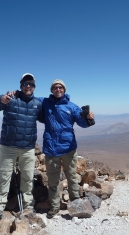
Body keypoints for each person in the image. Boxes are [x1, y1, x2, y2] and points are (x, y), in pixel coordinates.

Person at [0, 73, 43, 220]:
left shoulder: (38, 103)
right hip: (8, 146)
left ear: (34, 86)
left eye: (30, 84)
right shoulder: (9, 99)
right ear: (21, 86)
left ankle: (28, 205)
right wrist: (0, 99)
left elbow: (48, 117)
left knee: (28, 177)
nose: (28, 86)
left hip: (28, 147)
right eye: (25, 84)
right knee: (4, 176)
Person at [40, 79, 95, 219]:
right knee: (53, 181)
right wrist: (16, 94)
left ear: (64, 89)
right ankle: (54, 206)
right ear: (52, 90)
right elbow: (30, 99)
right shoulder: (45, 103)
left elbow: (81, 122)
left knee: (71, 177)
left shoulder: (72, 106)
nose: (58, 89)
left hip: (68, 148)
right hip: (51, 149)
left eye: (60, 87)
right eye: (55, 87)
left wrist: (88, 119)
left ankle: (75, 202)